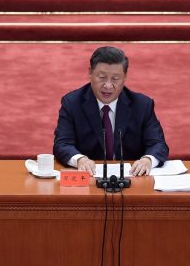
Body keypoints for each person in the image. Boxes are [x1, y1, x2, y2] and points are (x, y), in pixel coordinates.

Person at [53, 46, 169, 176]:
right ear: (90, 73)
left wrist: (148, 160)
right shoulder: (72, 103)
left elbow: (158, 144)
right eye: (102, 77)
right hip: (89, 180)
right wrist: (80, 159)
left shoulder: (142, 105)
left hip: (132, 180)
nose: (108, 85)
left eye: (115, 79)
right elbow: (62, 144)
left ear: (125, 77)